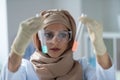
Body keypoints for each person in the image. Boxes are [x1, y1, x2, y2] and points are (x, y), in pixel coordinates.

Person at [0, 9, 115, 80]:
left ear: (71, 39)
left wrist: (100, 48)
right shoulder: (26, 69)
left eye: (63, 35)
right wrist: (17, 48)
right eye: (48, 35)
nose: (55, 41)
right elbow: (11, 74)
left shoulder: (82, 68)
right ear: (39, 38)